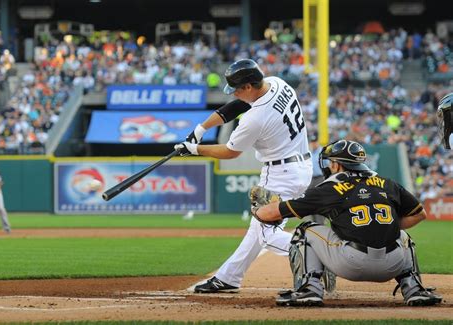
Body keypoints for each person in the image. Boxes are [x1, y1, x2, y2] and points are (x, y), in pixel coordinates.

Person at [175, 59, 313, 293]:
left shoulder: (255, 119)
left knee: (265, 234)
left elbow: (230, 152)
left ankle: (317, 254)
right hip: (302, 166)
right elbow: (237, 106)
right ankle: (229, 278)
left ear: (249, 86)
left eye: (238, 89)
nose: (235, 94)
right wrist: (201, 130)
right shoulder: (277, 84)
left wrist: (194, 150)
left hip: (279, 174)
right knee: (256, 230)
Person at [252, 140, 442, 306]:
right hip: (392, 264)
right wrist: (384, 226)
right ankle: (414, 289)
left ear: (336, 165)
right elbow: (419, 214)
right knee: (403, 237)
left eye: (330, 162)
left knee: (305, 231)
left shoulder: (329, 188)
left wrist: (257, 210)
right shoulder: (387, 183)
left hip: (351, 263)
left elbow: (273, 212)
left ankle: (308, 289)